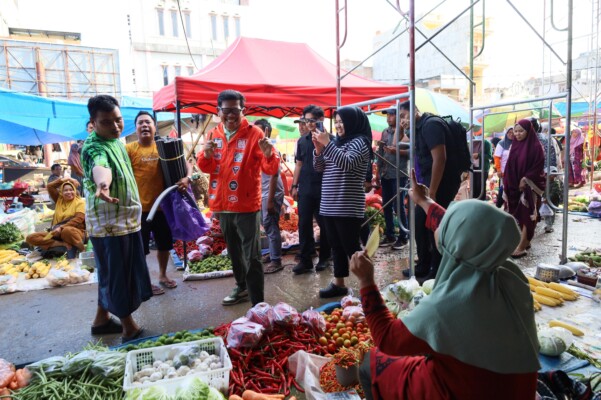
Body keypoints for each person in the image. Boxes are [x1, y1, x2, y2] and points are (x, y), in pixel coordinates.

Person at [352, 170, 539, 400]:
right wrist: (424, 200)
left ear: (458, 244)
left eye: (449, 228)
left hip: (462, 392)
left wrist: (366, 281)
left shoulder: (448, 305)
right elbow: (467, 229)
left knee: (372, 362)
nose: (440, 230)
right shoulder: (510, 276)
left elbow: (387, 339)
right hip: (518, 392)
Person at [197, 89, 279, 306]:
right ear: (219, 111)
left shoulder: (255, 134)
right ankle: (241, 286)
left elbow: (269, 168)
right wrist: (205, 154)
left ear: (243, 110)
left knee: (251, 256)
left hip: (245, 205)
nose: (231, 114)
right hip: (222, 205)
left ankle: (258, 303)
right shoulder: (213, 133)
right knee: (233, 253)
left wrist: (270, 154)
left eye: (236, 110)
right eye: (226, 110)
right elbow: (206, 166)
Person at [82, 95, 152, 343]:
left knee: (110, 273)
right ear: (93, 122)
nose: (115, 126)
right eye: (106, 122)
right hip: (111, 225)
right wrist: (103, 183)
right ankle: (129, 327)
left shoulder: (116, 141)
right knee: (119, 275)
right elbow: (101, 167)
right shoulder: (93, 147)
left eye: (118, 120)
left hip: (124, 221)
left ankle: (101, 320)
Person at [398, 101, 461, 280]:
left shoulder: (431, 125)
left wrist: (432, 193)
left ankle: (436, 269)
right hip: (428, 183)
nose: (402, 121)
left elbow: (439, 159)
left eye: (404, 116)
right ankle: (424, 265)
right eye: (400, 118)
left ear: (415, 111)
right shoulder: (417, 128)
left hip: (441, 184)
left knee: (434, 226)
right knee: (420, 224)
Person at [313, 106, 371, 298]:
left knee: (352, 248)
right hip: (329, 203)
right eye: (336, 122)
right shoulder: (336, 142)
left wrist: (328, 144)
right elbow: (319, 167)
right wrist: (319, 150)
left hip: (347, 204)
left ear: (352, 122)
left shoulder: (360, 142)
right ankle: (339, 283)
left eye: (341, 122)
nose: (338, 126)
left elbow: (347, 164)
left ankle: (368, 283)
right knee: (335, 246)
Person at [126, 111, 184, 296]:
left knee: (164, 245)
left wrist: (186, 177)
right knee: (141, 249)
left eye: (148, 122)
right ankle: (145, 281)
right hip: (139, 209)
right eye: (140, 123)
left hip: (163, 207)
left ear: (154, 126)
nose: (144, 125)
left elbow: (184, 163)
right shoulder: (129, 150)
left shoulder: (163, 146)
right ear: (135, 128)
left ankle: (162, 275)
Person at [289, 105, 332, 274]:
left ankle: (325, 258)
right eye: (306, 121)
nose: (308, 124)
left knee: (324, 224)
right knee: (304, 223)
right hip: (305, 189)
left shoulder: (330, 140)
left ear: (321, 120)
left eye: (311, 121)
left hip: (324, 189)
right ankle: (306, 259)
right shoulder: (302, 141)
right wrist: (294, 185)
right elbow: (298, 164)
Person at [503, 119, 545, 259]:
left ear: (529, 131)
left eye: (521, 131)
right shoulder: (515, 145)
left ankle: (522, 246)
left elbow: (538, 166)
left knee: (527, 214)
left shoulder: (536, 147)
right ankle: (524, 241)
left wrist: (525, 178)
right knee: (517, 215)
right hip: (514, 185)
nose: (518, 134)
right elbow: (510, 165)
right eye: (515, 131)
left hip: (530, 185)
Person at [254, 119, 285, 274]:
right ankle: (273, 254)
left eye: (259, 131)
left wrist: (271, 201)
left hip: (271, 193)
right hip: (262, 193)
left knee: (271, 225)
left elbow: (273, 176)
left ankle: (276, 260)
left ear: (267, 132)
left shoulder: (271, 150)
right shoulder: (257, 149)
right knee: (266, 225)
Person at [375, 107, 409, 250]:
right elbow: (381, 152)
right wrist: (377, 173)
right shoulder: (384, 132)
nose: (388, 118)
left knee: (398, 205)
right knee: (386, 205)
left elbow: (411, 151)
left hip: (399, 173)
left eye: (391, 115)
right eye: (387, 115)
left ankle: (403, 236)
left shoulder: (405, 132)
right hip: (386, 173)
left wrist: (397, 151)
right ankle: (390, 235)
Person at [26, 178, 86, 258]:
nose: (69, 192)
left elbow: (79, 219)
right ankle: (61, 244)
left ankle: (82, 249)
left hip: (74, 232)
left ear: (75, 190)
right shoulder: (59, 200)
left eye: (71, 190)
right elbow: (50, 186)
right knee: (31, 238)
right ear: (61, 192)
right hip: (56, 233)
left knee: (67, 231)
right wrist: (66, 179)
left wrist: (61, 227)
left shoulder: (80, 202)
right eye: (65, 190)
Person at [493, 127, 514, 208]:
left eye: (513, 132)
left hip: (515, 171)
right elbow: (497, 157)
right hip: (504, 171)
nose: (511, 134)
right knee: (504, 188)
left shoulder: (518, 143)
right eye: (509, 132)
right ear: (506, 133)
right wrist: (498, 170)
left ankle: (509, 206)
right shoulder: (502, 143)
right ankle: (499, 204)